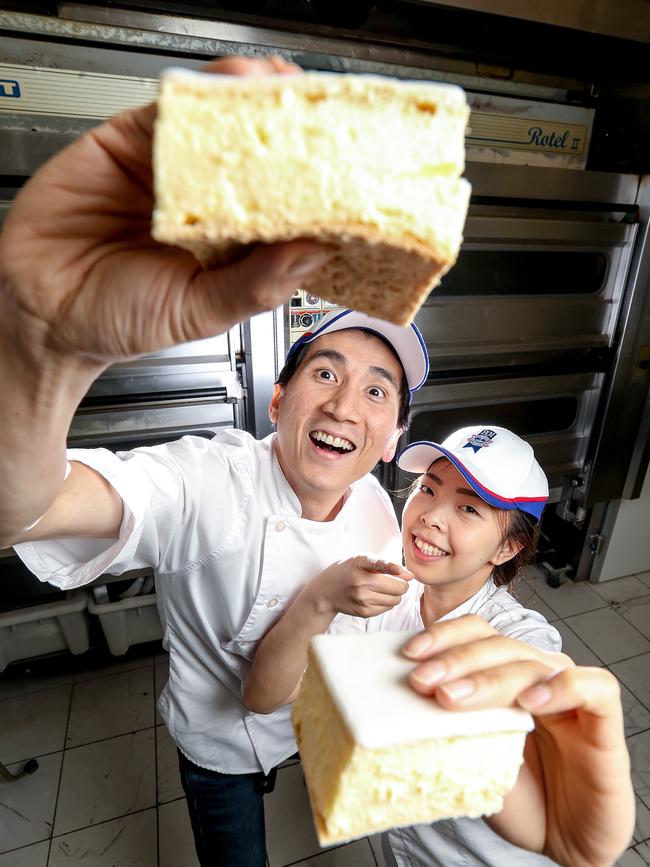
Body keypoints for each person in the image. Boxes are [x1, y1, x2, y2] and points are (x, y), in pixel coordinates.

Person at [0, 54, 634, 867]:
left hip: (301, 726)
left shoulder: (381, 514)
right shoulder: (210, 478)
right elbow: (26, 509)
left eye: (377, 391)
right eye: (325, 373)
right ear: (277, 401)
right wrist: (44, 350)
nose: (343, 405)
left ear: (389, 435)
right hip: (216, 747)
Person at [245, 426, 636, 867]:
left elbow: (542, 676)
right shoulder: (388, 587)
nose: (430, 515)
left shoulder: (516, 636)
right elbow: (265, 696)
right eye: (428, 489)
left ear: (508, 547)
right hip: (405, 850)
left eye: (468, 508)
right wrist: (318, 598)